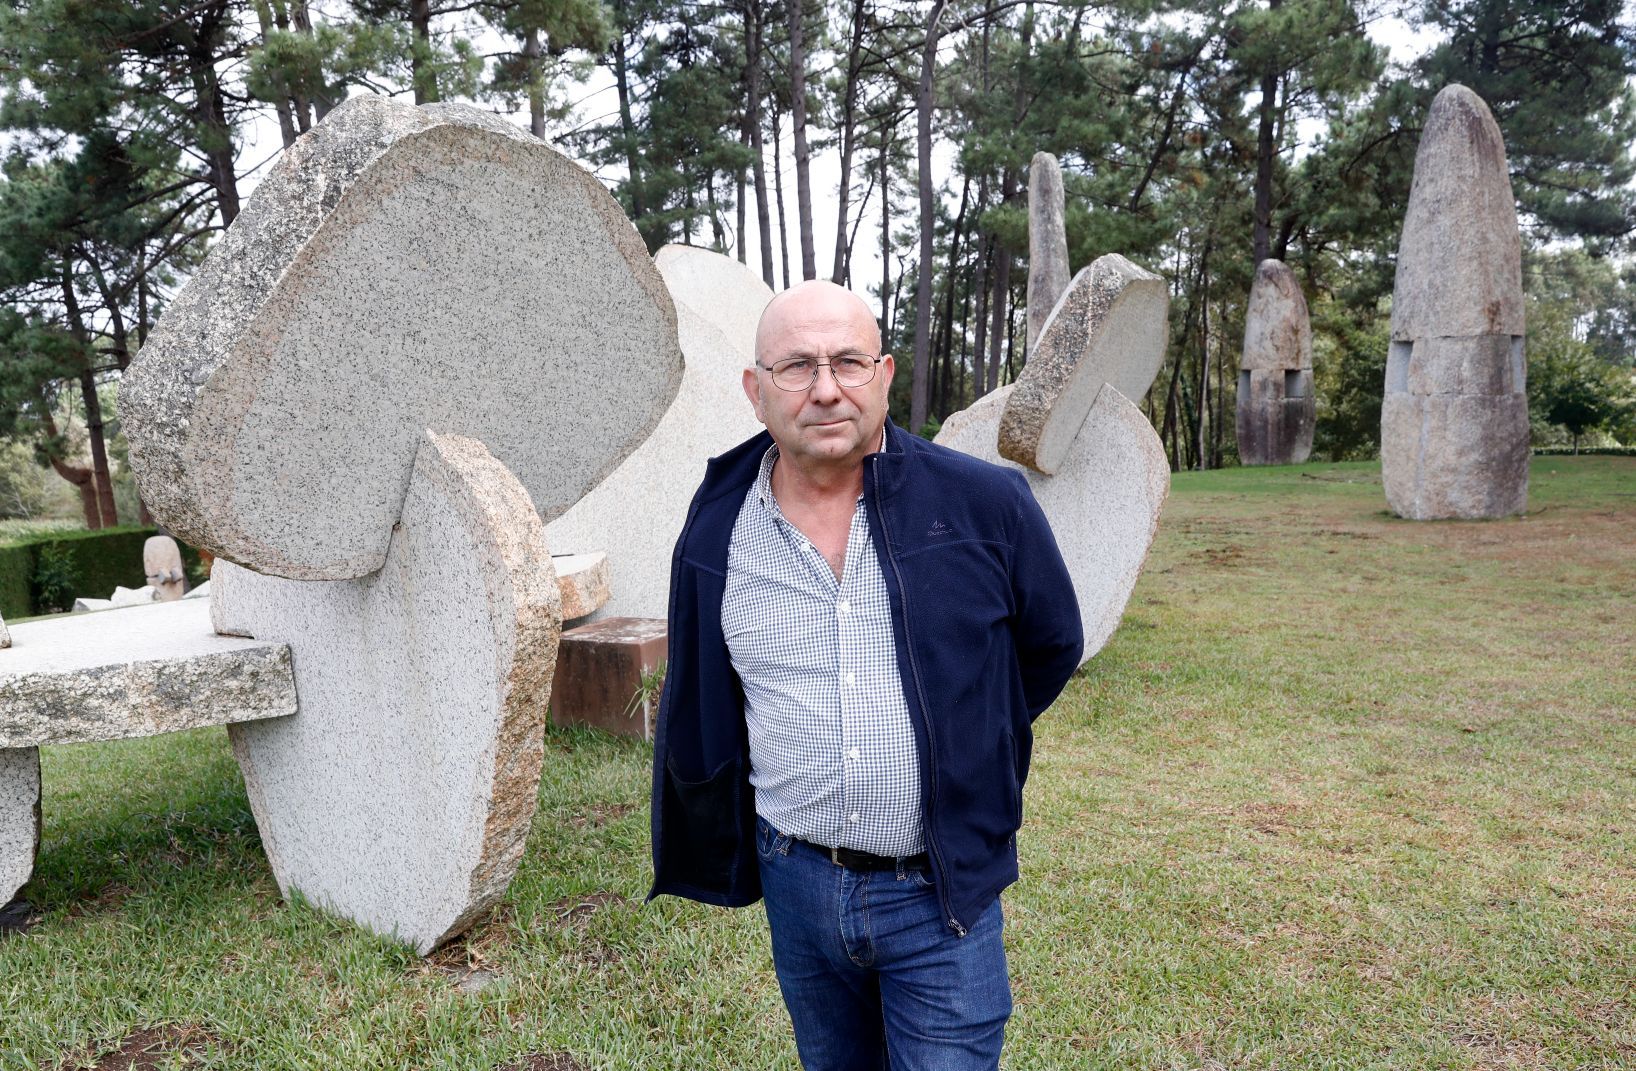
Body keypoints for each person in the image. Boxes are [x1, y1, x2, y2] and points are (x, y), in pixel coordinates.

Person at [648, 279, 1083, 1070]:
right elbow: (709, 683)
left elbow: (1050, 647)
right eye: (796, 367)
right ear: (756, 390)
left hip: (940, 894)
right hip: (798, 884)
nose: (825, 389)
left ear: (883, 374)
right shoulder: (720, 520)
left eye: (848, 361)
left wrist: (972, 742)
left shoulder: (986, 505)